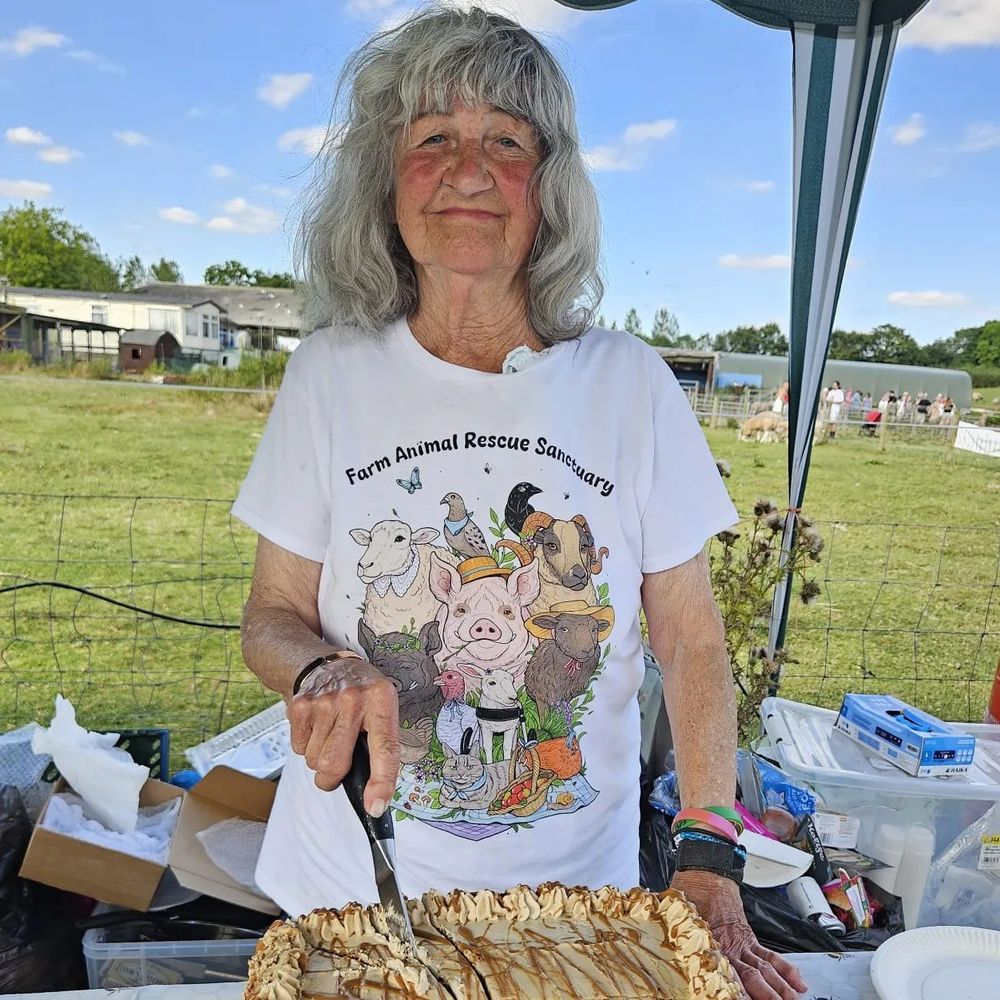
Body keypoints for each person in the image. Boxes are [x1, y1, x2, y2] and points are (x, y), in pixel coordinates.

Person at [234, 9, 805, 999]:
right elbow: (269, 616)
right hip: (350, 899)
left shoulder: (628, 383)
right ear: (386, 181)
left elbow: (691, 639)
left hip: (575, 918)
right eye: (432, 140)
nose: (468, 171)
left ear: (548, 188)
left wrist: (710, 853)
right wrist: (323, 664)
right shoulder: (329, 373)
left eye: (505, 139)